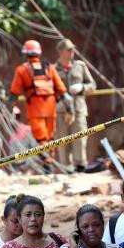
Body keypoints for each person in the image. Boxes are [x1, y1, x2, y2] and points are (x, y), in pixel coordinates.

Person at [9, 40, 66, 171]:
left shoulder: (22, 70)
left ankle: (48, 164)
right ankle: (49, 163)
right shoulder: (49, 68)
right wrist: (69, 105)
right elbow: (61, 88)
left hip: (35, 109)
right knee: (50, 137)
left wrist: (9, 104)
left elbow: (15, 92)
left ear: (25, 54)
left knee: (41, 139)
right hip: (51, 108)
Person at [53, 39, 96, 171]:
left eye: (73, 49)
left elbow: (92, 86)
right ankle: (66, 169)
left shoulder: (80, 66)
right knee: (62, 142)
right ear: (61, 51)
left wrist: (82, 87)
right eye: (69, 50)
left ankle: (80, 168)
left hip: (78, 110)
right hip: (61, 111)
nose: (72, 52)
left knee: (80, 140)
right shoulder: (53, 69)